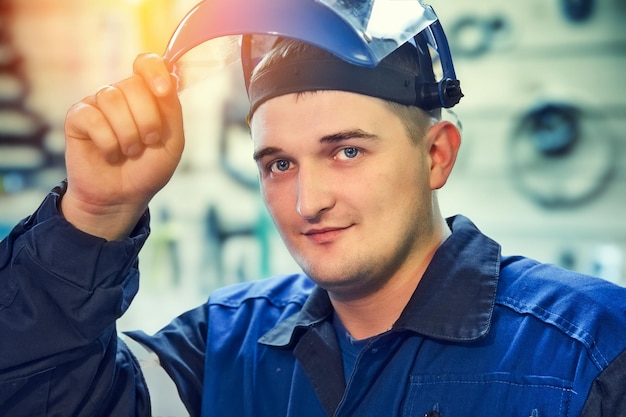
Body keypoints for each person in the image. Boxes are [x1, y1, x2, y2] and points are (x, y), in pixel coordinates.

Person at [1, 2, 626, 417]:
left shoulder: (590, 350)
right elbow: (38, 392)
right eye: (279, 163)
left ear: (437, 155)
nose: (308, 201)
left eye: (347, 151)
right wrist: (95, 212)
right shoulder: (222, 347)